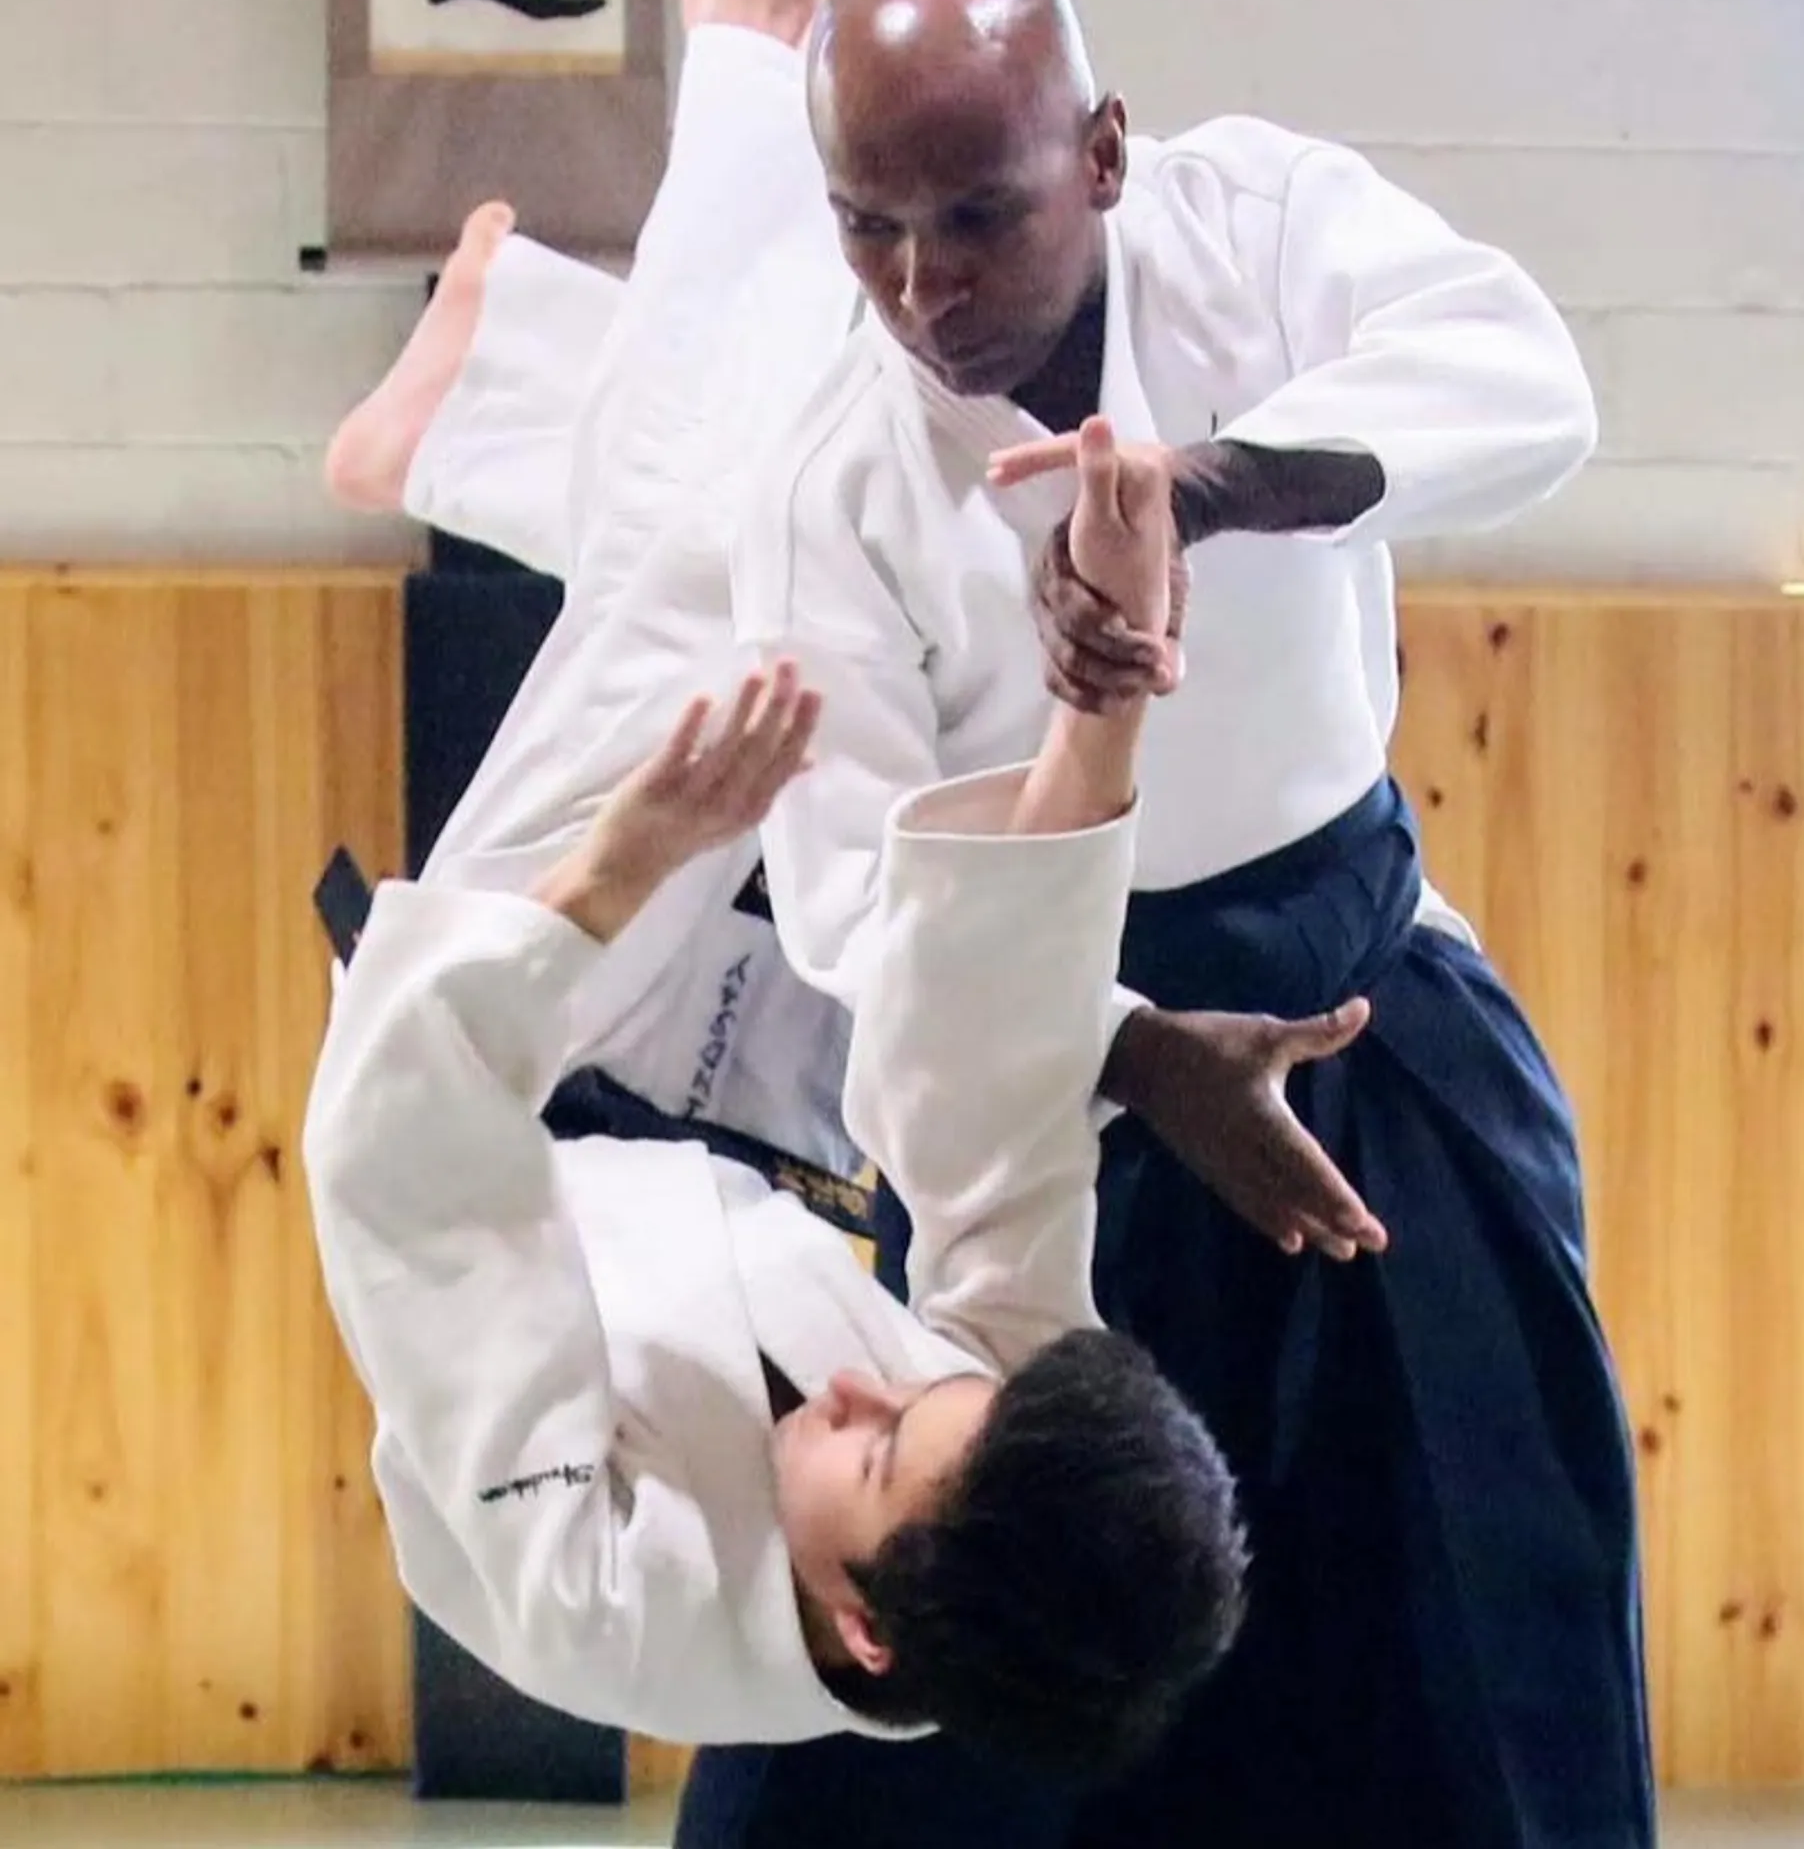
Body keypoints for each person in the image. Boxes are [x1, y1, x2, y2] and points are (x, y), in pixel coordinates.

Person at [696, 0, 1655, 1849]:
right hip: (1035, 1119)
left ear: (1106, 154)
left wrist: (1208, 487)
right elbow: (847, 909)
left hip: (1362, 1022)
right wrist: (1131, 1053)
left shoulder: (1261, 224)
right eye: (868, 228)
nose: (924, 285)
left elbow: (1528, 383)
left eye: (977, 216)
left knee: (1480, 1643)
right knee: (955, 1715)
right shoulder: (826, 472)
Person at [325, 0, 1382, 1268]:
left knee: (703, 586)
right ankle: (518, 363)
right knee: (715, 607)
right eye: (874, 227)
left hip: (662, 1085)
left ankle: (505, 382)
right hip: (650, 1058)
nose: (922, 278)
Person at [301, 396, 1253, 1772]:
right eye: (915, 1403)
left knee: (692, 600)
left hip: (483, 1062)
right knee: (840, 597)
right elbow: (1005, 1105)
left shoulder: (593, 1595)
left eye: (870, 1456)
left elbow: (413, 1198)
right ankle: (464, 419)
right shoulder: (997, 1472)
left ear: (864, 1630)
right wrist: (1102, 708)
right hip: (730, 1114)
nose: (872, 1391)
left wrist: (616, 874)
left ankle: (470, 409)